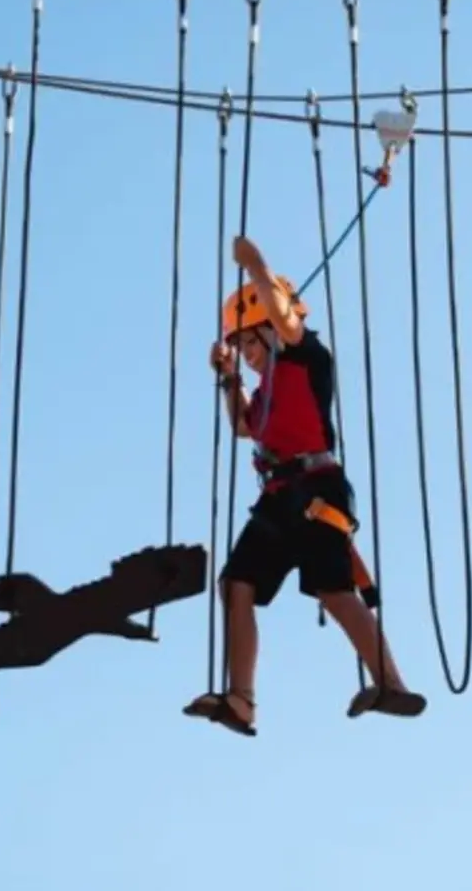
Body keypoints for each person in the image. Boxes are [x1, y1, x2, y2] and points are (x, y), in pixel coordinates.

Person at [183, 235, 427, 737]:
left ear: (272, 330)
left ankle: (391, 683)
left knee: (336, 592)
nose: (248, 354)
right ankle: (241, 699)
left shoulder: (305, 355)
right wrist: (229, 379)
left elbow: (285, 317)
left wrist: (255, 266)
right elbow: (243, 426)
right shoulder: (267, 384)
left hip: (317, 492)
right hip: (279, 498)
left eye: (250, 342)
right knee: (235, 586)